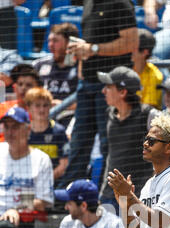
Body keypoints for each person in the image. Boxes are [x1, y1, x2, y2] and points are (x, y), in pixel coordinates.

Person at [57, 0, 139, 189]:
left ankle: (111, 191)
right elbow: (89, 41)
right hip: (86, 84)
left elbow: (132, 42)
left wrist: (93, 49)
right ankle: (69, 193)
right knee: (79, 142)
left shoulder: (120, 3)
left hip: (111, 86)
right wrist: (81, 60)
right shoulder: (89, 4)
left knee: (108, 143)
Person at [97, 65, 159, 211]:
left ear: (122, 92)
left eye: (108, 87)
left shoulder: (149, 115)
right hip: (109, 196)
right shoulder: (109, 113)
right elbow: (110, 157)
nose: (103, 91)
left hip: (138, 196)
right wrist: (102, 193)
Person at [0, 107, 54, 228]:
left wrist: (15, 210)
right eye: (6, 127)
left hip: (20, 220)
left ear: (28, 130)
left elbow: (43, 202)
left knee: (7, 225)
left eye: (15, 127)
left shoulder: (41, 159)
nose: (9, 132)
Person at [32, 23, 80, 127]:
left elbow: (87, 100)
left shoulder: (81, 68)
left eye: (55, 41)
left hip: (71, 118)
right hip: (40, 116)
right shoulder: (39, 65)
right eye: (49, 40)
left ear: (69, 43)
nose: (50, 45)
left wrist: (64, 105)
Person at [24, 87, 70, 186]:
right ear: (28, 108)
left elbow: (64, 165)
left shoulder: (59, 131)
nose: (42, 109)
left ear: (50, 107)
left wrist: (43, 180)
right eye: (37, 105)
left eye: (45, 105)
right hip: (27, 185)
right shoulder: (23, 132)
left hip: (53, 185)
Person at [54, 179, 124, 228]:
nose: (65, 207)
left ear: (83, 206)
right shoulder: (67, 223)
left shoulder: (116, 227)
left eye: (69, 203)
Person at [0, 64, 42, 142]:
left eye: (28, 85)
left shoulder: (42, 112)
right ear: (14, 87)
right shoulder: (2, 108)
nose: (23, 88)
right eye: (20, 84)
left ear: (39, 89)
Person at [132, 28, 163, 109]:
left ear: (144, 52)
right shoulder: (123, 70)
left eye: (133, 46)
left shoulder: (155, 75)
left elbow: (148, 110)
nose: (128, 49)